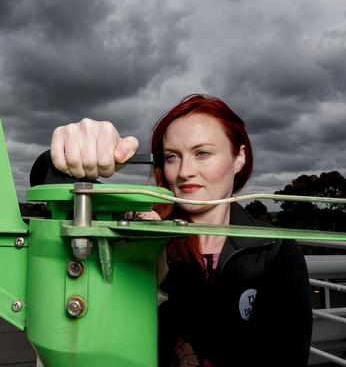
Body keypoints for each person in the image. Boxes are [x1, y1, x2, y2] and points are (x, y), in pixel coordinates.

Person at [30, 94, 312, 367]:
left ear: (238, 158)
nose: (185, 171)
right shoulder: (140, 231)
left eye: (202, 153)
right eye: (172, 156)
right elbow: (51, 180)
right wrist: (73, 148)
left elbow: (288, 357)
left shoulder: (274, 249)